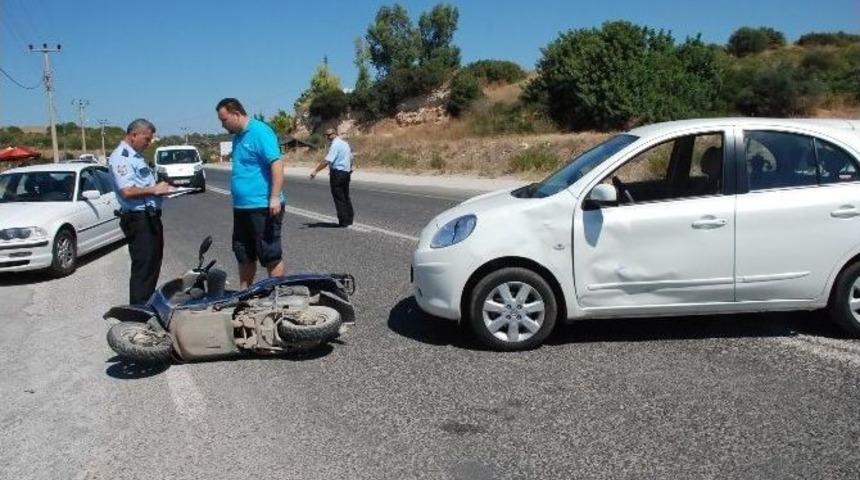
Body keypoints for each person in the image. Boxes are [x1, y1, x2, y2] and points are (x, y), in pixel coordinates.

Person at [216, 97, 286, 289]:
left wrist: (274, 197)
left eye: (224, 120)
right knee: (244, 254)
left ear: (236, 114)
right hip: (242, 208)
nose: (223, 125)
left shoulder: (260, 132)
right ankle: (244, 294)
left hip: (262, 206)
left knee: (270, 254)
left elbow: (276, 164)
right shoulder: (238, 137)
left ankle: (277, 297)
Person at [108, 118, 172, 304]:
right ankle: (138, 315)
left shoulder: (135, 156)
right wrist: (154, 190)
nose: (149, 142)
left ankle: (146, 306)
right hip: (139, 219)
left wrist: (163, 190)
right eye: (147, 138)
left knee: (152, 265)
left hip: (149, 217)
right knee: (143, 269)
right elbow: (127, 191)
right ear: (134, 135)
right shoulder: (122, 157)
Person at [310, 127, 354, 227]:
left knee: (339, 197)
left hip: (337, 173)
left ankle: (344, 221)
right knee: (346, 196)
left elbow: (327, 161)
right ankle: (349, 219)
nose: (328, 137)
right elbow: (351, 158)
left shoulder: (335, 145)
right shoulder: (345, 144)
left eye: (329, 135)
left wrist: (315, 171)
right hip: (346, 173)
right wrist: (350, 168)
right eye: (327, 135)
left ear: (335, 134)